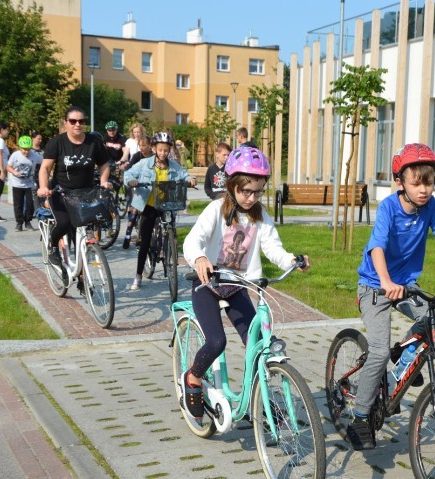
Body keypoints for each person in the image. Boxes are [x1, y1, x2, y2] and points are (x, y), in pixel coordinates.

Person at [346, 143, 435, 451]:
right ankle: (359, 416)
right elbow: (377, 247)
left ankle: (404, 358)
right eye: (416, 182)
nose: (424, 189)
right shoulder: (388, 208)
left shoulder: (431, 207)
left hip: (407, 286)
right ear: (400, 182)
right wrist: (384, 280)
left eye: (428, 182)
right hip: (375, 286)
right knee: (379, 352)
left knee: (432, 318)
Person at [181, 146, 309, 419]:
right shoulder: (216, 209)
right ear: (231, 186)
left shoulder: (260, 216)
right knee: (216, 342)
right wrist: (201, 259)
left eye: (258, 191)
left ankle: (258, 398)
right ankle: (192, 377)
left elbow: (273, 247)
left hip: (238, 285)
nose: (252, 198)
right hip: (208, 284)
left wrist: (291, 261)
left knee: (260, 344)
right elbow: (193, 240)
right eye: (246, 191)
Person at [37, 106, 112, 271]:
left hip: (85, 194)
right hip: (60, 192)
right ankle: (53, 246)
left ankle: (81, 274)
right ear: (66, 123)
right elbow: (45, 169)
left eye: (81, 121)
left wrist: (104, 181)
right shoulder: (57, 142)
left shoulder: (94, 143)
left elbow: (104, 164)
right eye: (73, 121)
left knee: (85, 230)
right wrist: (43, 187)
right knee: (64, 223)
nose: (77, 124)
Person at [123, 131, 197, 288]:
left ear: (169, 150)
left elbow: (185, 174)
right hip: (149, 205)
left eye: (166, 150)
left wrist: (190, 179)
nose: (163, 153)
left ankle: (168, 247)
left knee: (170, 229)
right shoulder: (145, 164)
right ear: (154, 148)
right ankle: (138, 275)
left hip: (167, 204)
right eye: (160, 149)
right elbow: (128, 173)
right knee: (145, 241)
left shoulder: (174, 167)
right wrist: (132, 181)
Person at [6, 135, 39, 231]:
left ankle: (28, 222)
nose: (26, 152)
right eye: (24, 149)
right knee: (18, 204)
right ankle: (19, 223)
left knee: (30, 204)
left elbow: (44, 162)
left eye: (28, 149)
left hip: (29, 184)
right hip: (17, 184)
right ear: (19, 148)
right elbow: (8, 166)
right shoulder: (15, 155)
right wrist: (14, 172)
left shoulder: (35, 155)